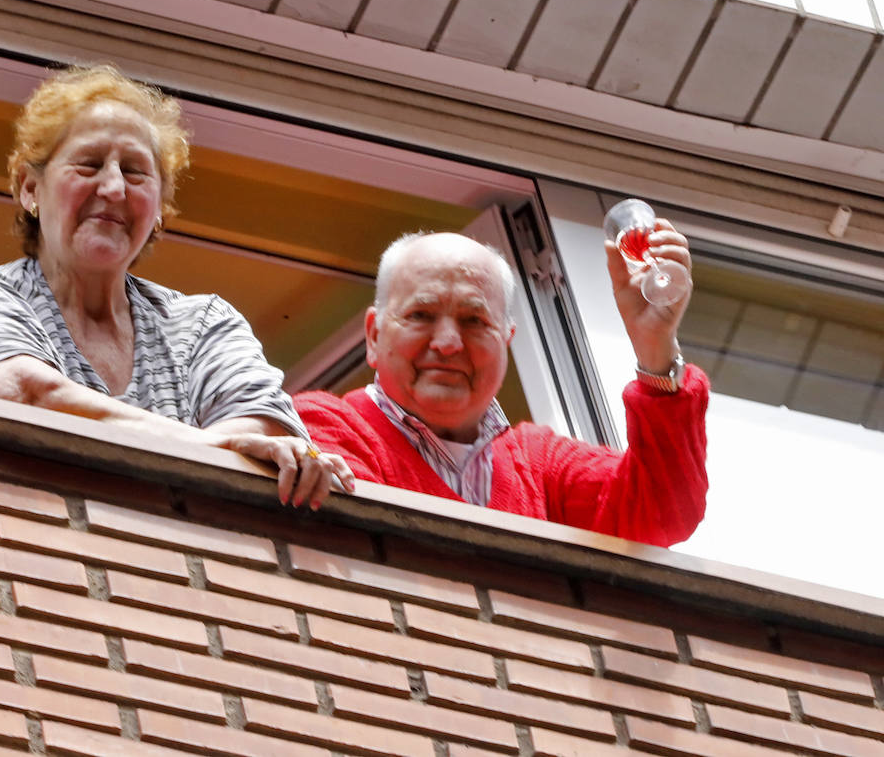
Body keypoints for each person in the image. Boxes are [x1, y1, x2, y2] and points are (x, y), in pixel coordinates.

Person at [0, 65, 354, 510]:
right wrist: (214, 447)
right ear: (30, 188)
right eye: (89, 164)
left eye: (135, 172)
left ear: (159, 211)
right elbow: (19, 398)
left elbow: (269, 437)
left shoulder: (203, 324)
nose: (114, 188)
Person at [294, 229, 708, 546]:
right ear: (373, 335)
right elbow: (367, 554)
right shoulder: (320, 427)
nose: (448, 342)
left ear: (506, 340)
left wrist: (655, 347)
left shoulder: (540, 464)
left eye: (474, 321)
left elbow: (660, 513)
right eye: (421, 315)